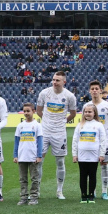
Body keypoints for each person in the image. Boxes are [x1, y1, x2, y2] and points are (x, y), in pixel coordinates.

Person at [36, 71, 79, 201]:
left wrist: (62, 121)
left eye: (57, 80)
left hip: (60, 133)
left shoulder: (70, 96)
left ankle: (59, 190)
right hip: (45, 131)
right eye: (53, 80)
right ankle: (36, 190)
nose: (54, 82)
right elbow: (38, 110)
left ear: (64, 82)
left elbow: (73, 113)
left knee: (60, 161)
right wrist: (47, 121)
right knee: (39, 161)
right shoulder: (44, 93)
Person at [77, 81, 108, 201]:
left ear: (100, 90)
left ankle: (104, 191)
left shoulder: (107, 106)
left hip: (104, 141)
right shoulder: (86, 106)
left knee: (104, 165)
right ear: (90, 91)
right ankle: (92, 191)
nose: (94, 91)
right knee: (91, 166)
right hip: (90, 141)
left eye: (96, 89)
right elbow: (82, 124)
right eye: (92, 89)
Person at [74, 104, 108, 204]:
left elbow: (103, 141)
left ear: (94, 113)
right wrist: (74, 154)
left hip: (94, 156)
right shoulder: (80, 125)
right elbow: (75, 140)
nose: (87, 113)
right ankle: (83, 195)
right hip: (82, 156)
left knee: (92, 175)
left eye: (90, 112)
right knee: (83, 176)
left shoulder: (99, 125)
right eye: (86, 112)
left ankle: (91, 195)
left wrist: (102, 154)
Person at [13, 103, 46, 206]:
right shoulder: (20, 126)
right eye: (25, 111)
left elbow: (40, 142)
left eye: (28, 111)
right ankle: (23, 197)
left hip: (33, 157)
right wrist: (15, 155)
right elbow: (17, 142)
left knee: (34, 178)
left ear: (33, 111)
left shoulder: (37, 125)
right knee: (23, 179)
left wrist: (39, 155)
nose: (26, 113)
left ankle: (34, 197)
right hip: (22, 156)